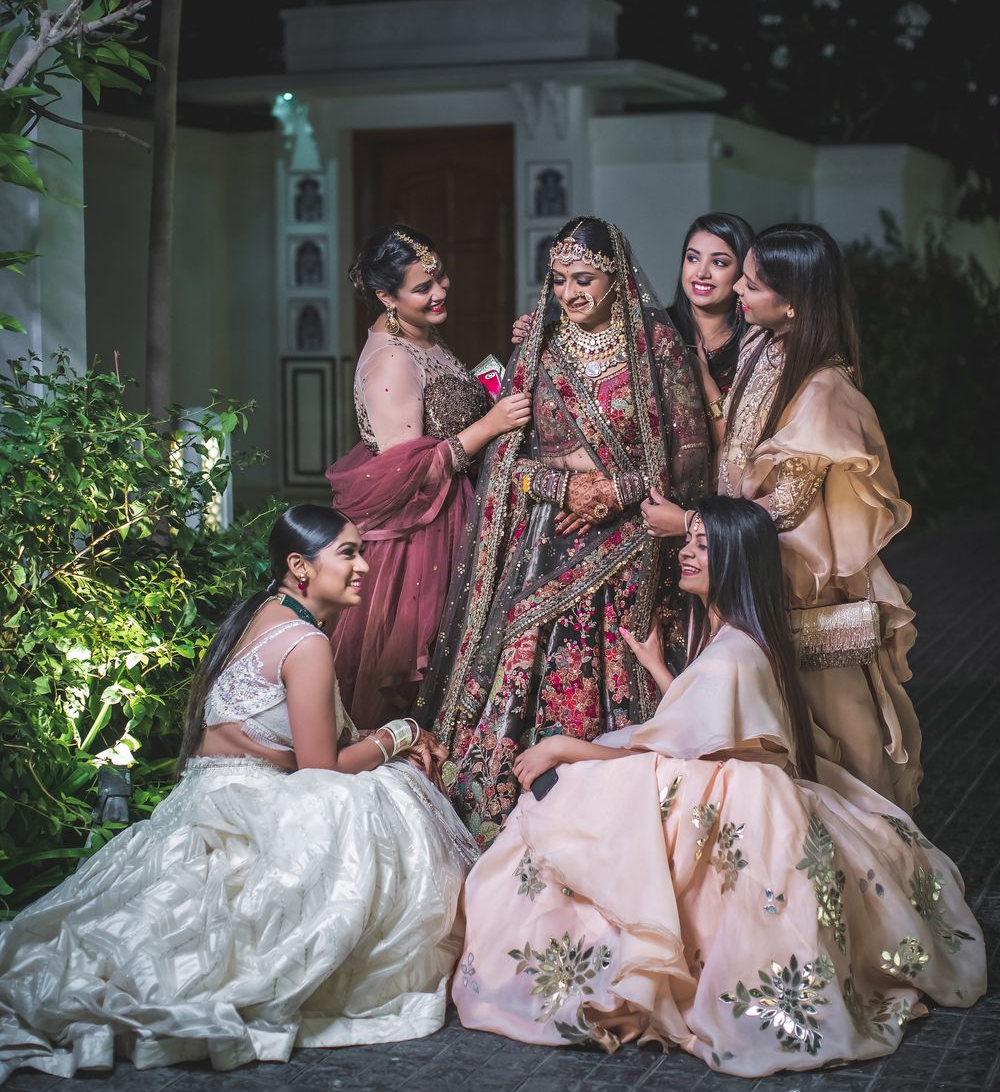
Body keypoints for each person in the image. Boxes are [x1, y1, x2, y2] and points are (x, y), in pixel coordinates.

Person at [453, 498, 984, 1076]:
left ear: (735, 559)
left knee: (583, 794)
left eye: (704, 545)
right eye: (690, 540)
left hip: (733, 798)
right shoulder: (743, 637)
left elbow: (665, 749)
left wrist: (563, 747)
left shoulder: (731, 653)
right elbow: (701, 723)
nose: (686, 551)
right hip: (747, 785)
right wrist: (660, 671)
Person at [0, 506, 477, 1083]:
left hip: (207, 797)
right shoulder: (305, 642)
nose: (365, 567)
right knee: (386, 795)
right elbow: (322, 769)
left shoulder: (262, 616)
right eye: (348, 553)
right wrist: (401, 733)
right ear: (300, 567)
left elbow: (281, 750)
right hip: (249, 802)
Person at [421, 216, 709, 846]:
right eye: (558, 281)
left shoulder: (654, 345)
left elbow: (689, 454)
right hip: (552, 536)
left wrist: (618, 492)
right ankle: (518, 826)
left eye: (584, 279)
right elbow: (509, 462)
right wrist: (567, 487)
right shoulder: (538, 349)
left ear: (616, 279)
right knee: (528, 637)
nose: (569, 293)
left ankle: (622, 824)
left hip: (638, 537)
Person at [641, 223, 922, 811]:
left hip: (803, 587)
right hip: (761, 577)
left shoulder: (824, 386)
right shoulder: (766, 347)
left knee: (837, 740)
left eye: (751, 282)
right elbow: (740, 449)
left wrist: (690, 524)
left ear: (792, 300)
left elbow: (786, 505)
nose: (737, 290)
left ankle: (868, 861)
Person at [326, 228, 531, 732]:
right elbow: (405, 476)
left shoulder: (422, 334)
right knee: (416, 681)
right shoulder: (391, 358)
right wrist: (491, 424)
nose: (439, 292)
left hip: (455, 513)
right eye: (422, 287)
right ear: (385, 297)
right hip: (418, 538)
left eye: (439, 276)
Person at [668, 211, 755, 403]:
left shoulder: (755, 343)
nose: (701, 272)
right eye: (692, 258)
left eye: (718, 262)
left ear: (743, 272)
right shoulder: (657, 330)